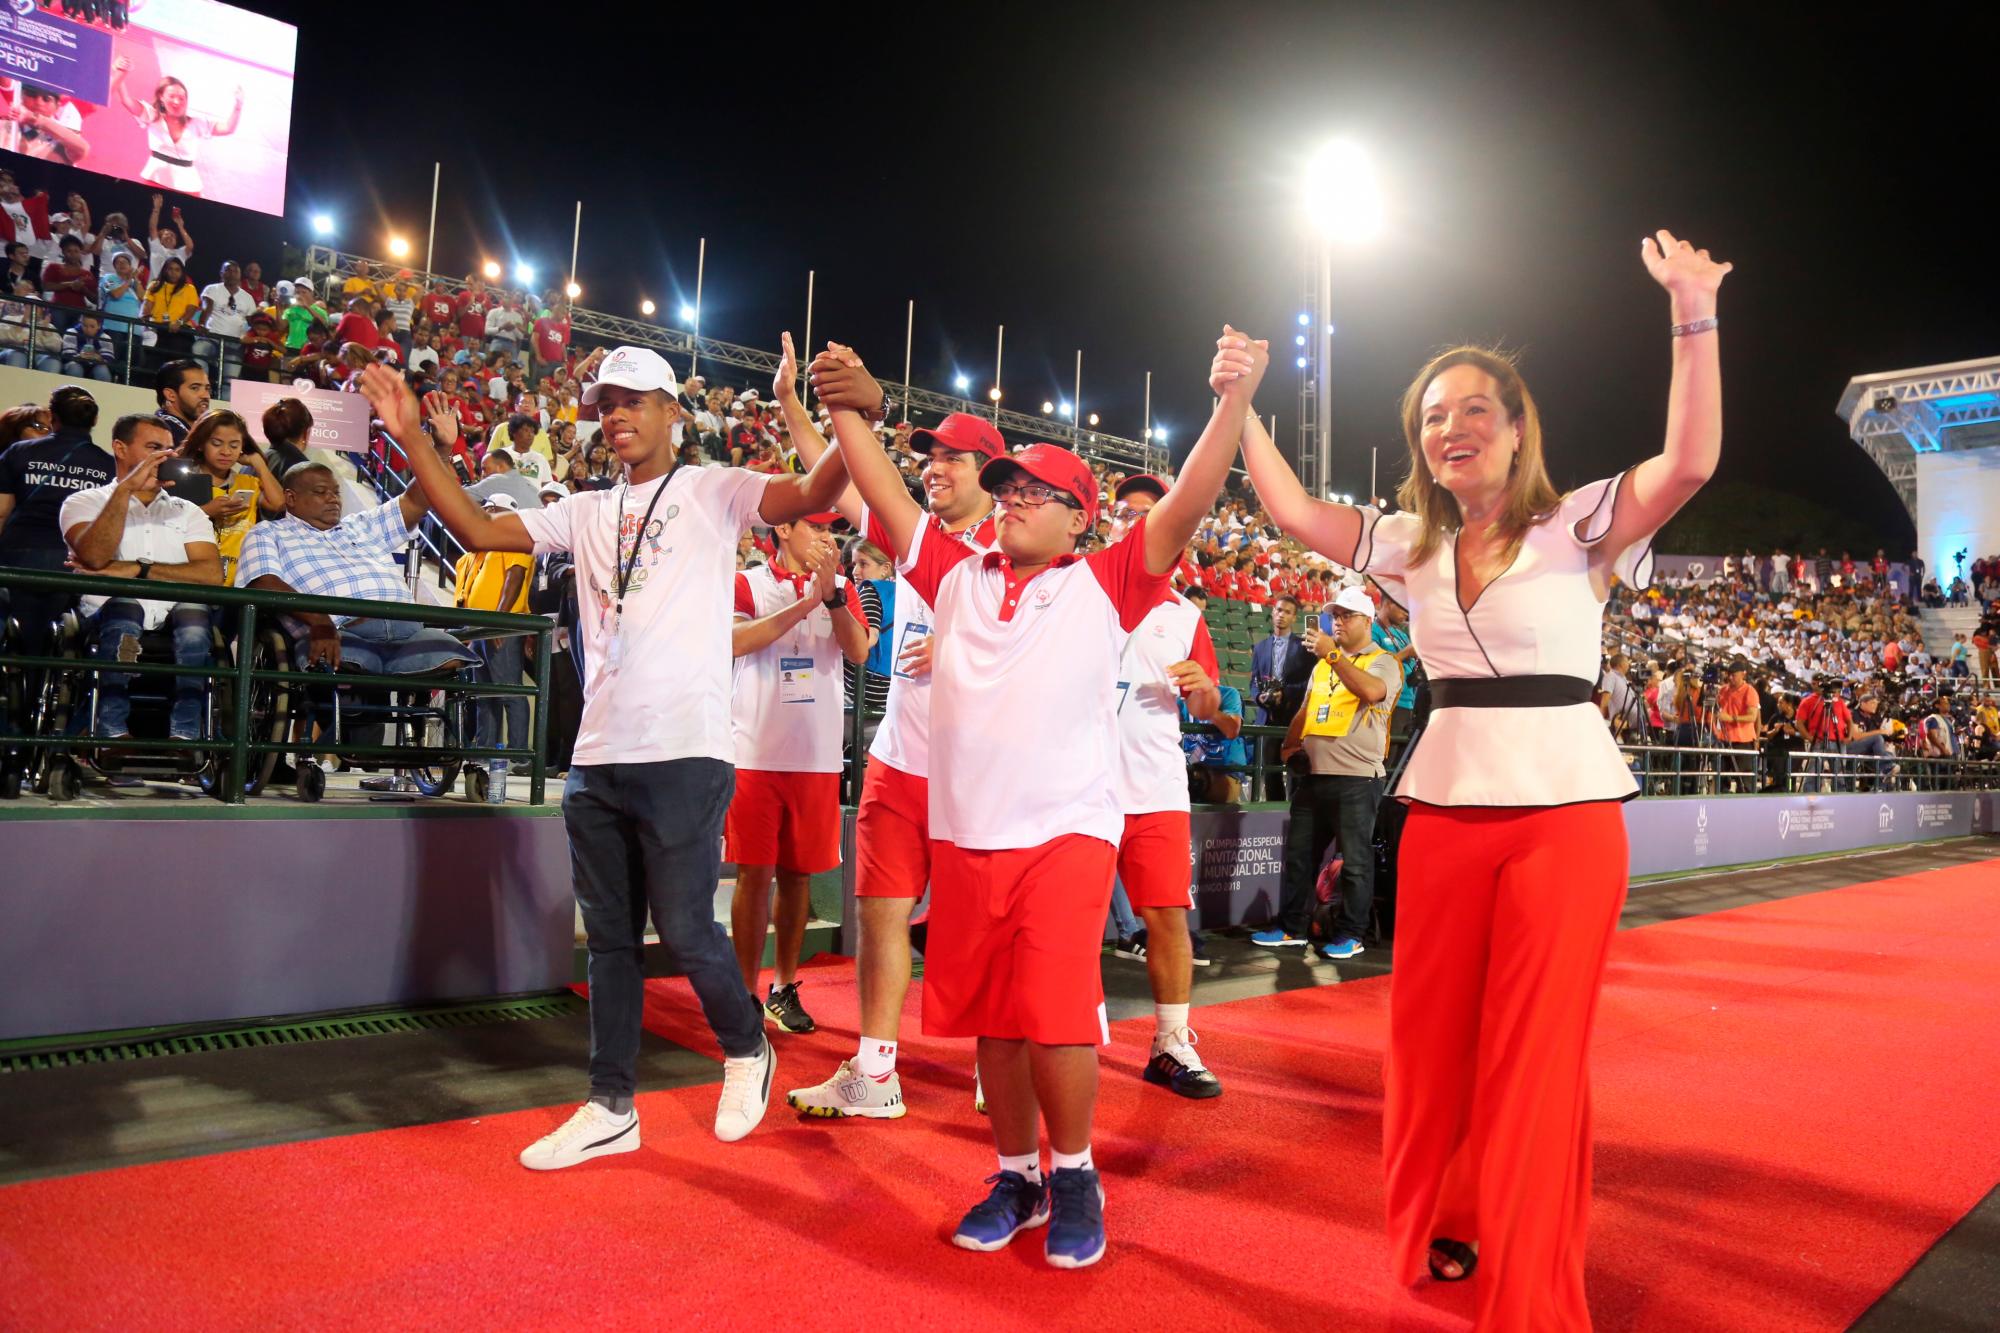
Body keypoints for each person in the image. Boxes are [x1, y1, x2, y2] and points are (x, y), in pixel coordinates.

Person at [1234, 228, 1730, 1328]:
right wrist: (1239, 404)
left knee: (1533, 1058)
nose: (1449, 427)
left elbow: (1690, 461)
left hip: (1566, 817)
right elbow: (1291, 513)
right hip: (1444, 812)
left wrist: (1690, 310)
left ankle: (1534, 1289)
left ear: (1515, 430)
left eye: (1471, 409)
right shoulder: (1407, 542)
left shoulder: (1581, 522)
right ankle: (1445, 1224)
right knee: (1428, 1039)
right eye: (1430, 415)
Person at [808, 325, 1263, 1270]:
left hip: (1067, 833)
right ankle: (1017, 1173)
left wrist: (1232, 400)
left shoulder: (1108, 582)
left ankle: (1077, 1173)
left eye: (1033, 493)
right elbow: (884, 493)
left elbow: (1189, 499)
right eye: (1007, 488)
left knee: (1054, 1015)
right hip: (967, 834)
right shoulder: (953, 571)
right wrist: (847, 407)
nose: (1012, 502)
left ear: (1079, 519)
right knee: (995, 1020)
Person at [357, 344, 854, 1162]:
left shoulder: (714, 488)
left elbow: (814, 492)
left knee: (686, 925)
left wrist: (848, 415)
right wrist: (413, 439)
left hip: (686, 748)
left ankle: (745, 1044)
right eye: (605, 403)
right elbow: (476, 529)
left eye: (633, 400)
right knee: (613, 939)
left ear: (673, 412)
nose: (615, 415)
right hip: (597, 754)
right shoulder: (585, 509)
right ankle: (610, 1102)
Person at [778, 330, 1005, 1121]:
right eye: (928, 458)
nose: (934, 469)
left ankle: (999, 1062)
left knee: (983, 930)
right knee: (879, 915)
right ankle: (876, 1072)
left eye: (952, 459)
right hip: (901, 756)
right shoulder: (916, 533)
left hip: (981, 771)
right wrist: (796, 404)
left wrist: (965, 642)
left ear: (991, 473)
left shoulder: (1019, 545)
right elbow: (839, 475)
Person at [1102, 471, 1227, 1098]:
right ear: (1108, 523)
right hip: (1075, 789)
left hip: (1154, 787)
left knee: (1167, 917)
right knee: (1063, 925)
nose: (1138, 523)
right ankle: (1052, 1038)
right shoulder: (1073, 588)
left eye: (1151, 514)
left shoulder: (1186, 614)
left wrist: (1202, 693)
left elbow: (1210, 706)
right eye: (1127, 513)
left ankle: (1171, 1042)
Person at [726, 509, 873, 1032]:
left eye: (832, 529)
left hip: (816, 755)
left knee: (798, 875)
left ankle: (783, 987)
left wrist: (830, 597)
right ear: (783, 530)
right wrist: (804, 603)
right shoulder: (748, 582)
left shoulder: (842, 588)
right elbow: (735, 641)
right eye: (816, 526)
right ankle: (743, 991)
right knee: (753, 874)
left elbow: (859, 651)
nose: (827, 537)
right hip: (755, 750)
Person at [59, 415, 223, 746]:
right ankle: (110, 733)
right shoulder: (84, 502)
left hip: (176, 617)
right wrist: (126, 490)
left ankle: (186, 735)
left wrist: (137, 568)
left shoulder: (188, 510)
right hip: (107, 617)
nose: (163, 456)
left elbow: (210, 574)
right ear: (120, 448)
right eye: (153, 447)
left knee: (195, 616)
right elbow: (94, 556)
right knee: (125, 607)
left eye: (168, 449)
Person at [1256, 587, 1400, 958]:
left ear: (1367, 621)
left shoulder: (1382, 661)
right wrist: (1290, 746)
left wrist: (1333, 655)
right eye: (1335, 615)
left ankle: (1352, 934)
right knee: (1299, 858)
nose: (1338, 622)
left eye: (1346, 615)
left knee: (1355, 862)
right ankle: (1292, 928)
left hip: (1357, 778)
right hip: (1314, 776)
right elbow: (1306, 708)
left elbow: (1372, 691)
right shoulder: (1322, 665)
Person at [0, 387, 111, 656]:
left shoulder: (18, 452)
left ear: (52, 416)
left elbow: (2, 512)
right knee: (57, 637)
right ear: (95, 420)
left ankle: (23, 677)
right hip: (73, 558)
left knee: (21, 632)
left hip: (20, 554)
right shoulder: (107, 464)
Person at [454, 494, 535, 770]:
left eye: (492, 510)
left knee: (509, 691)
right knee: (484, 693)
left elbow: (515, 576)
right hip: (477, 628)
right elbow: (465, 595)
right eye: (486, 509)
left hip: (501, 626)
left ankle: (519, 756)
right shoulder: (476, 554)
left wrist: (498, 620)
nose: (486, 513)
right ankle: (483, 750)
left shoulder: (513, 540)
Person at [109, 58, 244, 197]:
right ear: (161, 97)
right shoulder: (152, 115)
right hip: (154, 179)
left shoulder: (197, 123)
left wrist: (238, 106)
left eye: (181, 97)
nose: (177, 101)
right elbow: (126, 100)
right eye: (172, 96)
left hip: (188, 186)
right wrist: (120, 72)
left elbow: (228, 128)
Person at [178, 408, 282, 583]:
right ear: (201, 444)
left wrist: (260, 465)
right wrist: (205, 511)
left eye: (234, 445)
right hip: (193, 579)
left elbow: (278, 503)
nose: (226, 452)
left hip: (238, 582)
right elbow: (167, 528)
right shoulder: (182, 482)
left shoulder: (249, 483)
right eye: (216, 443)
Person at [152, 360, 209, 450]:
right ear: (171, 395)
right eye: (195, 388)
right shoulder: (164, 432)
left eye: (207, 388)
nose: (206, 395)